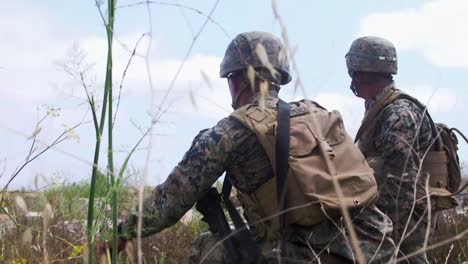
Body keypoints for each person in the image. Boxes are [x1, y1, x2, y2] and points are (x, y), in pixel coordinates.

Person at [107, 31, 396, 263]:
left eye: (231, 78)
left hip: (309, 255)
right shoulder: (318, 114)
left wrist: (121, 234)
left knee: (206, 248)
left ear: (243, 77)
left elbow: (169, 201)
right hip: (379, 249)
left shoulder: (229, 132)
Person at [346, 36, 437, 263]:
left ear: (361, 73)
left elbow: (401, 183)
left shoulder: (398, 114)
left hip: (405, 219)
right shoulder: (379, 107)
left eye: (354, 72)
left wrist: (381, 228)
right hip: (393, 216)